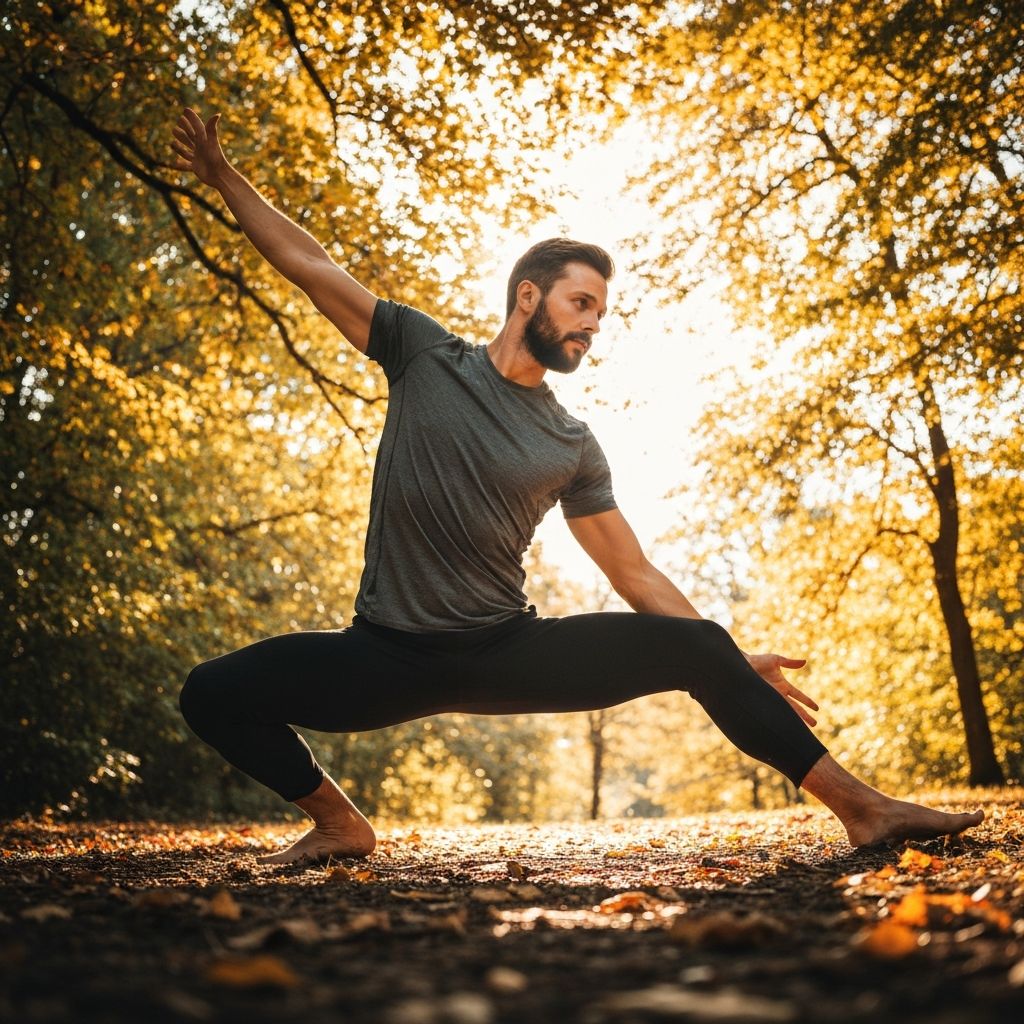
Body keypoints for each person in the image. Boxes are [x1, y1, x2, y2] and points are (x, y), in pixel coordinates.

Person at [171, 108, 983, 865]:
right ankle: (340, 822)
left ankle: (862, 809)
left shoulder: (572, 442)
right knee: (211, 693)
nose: (593, 324)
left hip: (506, 651)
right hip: (386, 654)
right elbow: (309, 264)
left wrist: (730, 660)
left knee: (697, 646)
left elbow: (631, 574)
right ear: (529, 296)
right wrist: (223, 177)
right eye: (581, 303)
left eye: (601, 311)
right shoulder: (422, 355)